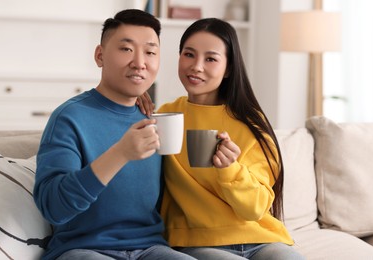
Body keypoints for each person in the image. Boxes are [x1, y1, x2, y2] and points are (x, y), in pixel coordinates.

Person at [33, 9, 196, 260]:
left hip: (152, 248)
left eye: (150, 52)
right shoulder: (69, 118)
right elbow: (53, 208)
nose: (140, 62)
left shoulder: (154, 117)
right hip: (83, 250)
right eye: (126, 49)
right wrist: (120, 153)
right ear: (100, 56)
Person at [141, 18, 305, 259]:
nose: (196, 66)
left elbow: (256, 208)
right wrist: (129, 100)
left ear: (228, 68)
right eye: (189, 54)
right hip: (196, 241)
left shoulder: (250, 124)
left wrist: (230, 169)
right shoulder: (166, 115)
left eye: (210, 59)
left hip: (262, 239)